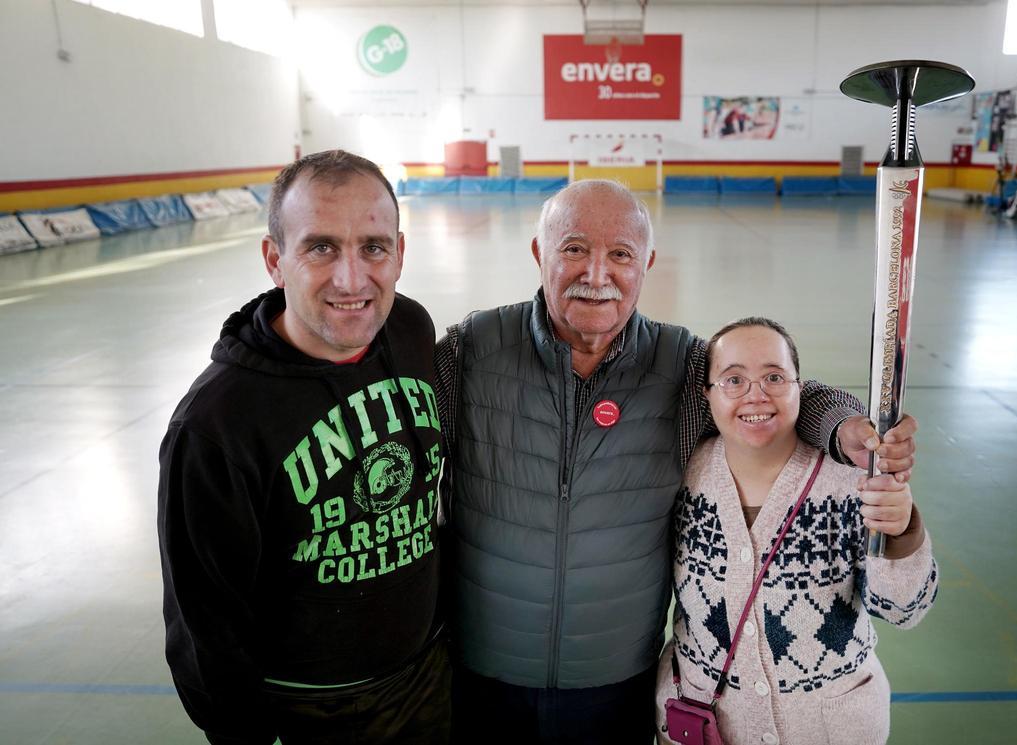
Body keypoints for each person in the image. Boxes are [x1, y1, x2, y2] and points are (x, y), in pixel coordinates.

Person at [436, 179, 919, 744]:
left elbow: (774, 394)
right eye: (573, 249)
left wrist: (843, 428)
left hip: (616, 679)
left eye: (620, 255)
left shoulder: (682, 366)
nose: (597, 275)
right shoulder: (474, 350)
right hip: (482, 672)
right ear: (540, 253)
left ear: (647, 264)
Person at [157, 150, 448, 745]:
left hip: (428, 677)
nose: (351, 279)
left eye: (373, 247)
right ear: (275, 260)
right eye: (320, 247)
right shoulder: (217, 424)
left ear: (399, 252)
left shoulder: (410, 329)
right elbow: (205, 625)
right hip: (309, 712)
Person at [655, 318, 936, 745]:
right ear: (705, 394)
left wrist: (899, 531)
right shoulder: (679, 478)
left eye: (774, 377)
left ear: (799, 388)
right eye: (733, 380)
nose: (756, 395)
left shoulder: (850, 483)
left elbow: (905, 609)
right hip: (704, 724)